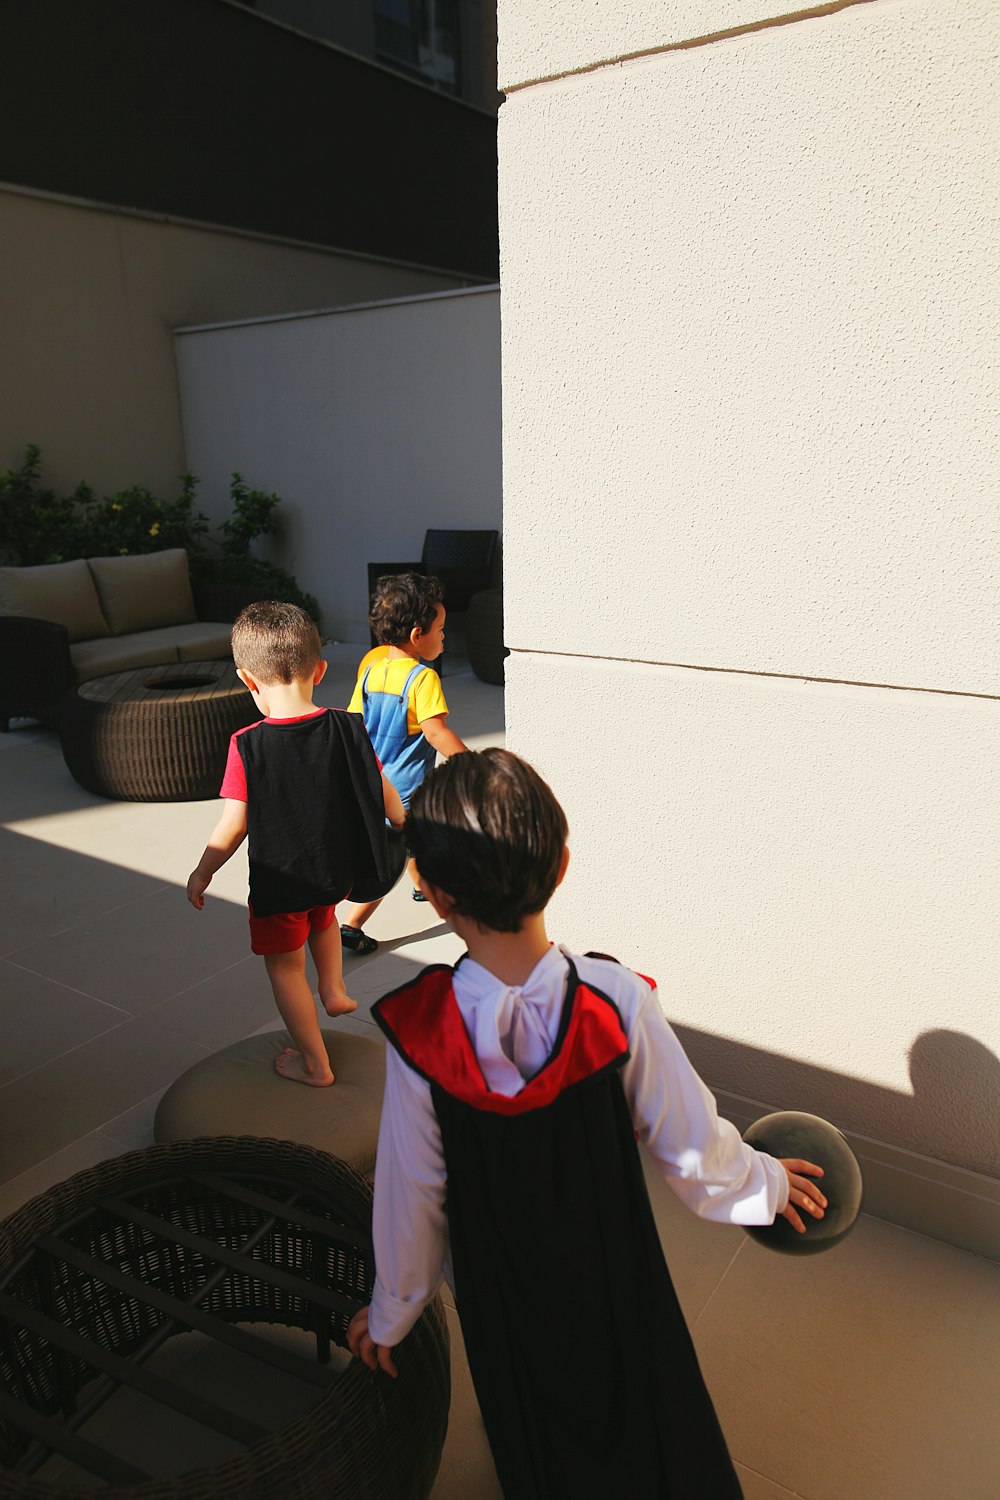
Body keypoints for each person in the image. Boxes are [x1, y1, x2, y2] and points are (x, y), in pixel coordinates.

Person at [347, 749, 827, 1499]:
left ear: (433, 895)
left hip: (500, 1282)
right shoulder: (614, 1001)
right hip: (614, 1268)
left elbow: (412, 1198)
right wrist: (764, 1185)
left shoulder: (422, 1033)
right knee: (647, 1396)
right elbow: (694, 1154)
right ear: (563, 864)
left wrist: (391, 1314)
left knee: (529, 1413)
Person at [186, 601, 404, 1088]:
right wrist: (406, 822)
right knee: (324, 918)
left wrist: (204, 871)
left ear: (247, 680)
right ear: (321, 670)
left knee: (285, 970)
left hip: (281, 883)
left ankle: (316, 1064)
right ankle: (334, 988)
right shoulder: (350, 726)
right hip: (334, 872)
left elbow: (232, 826)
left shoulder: (247, 744)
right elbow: (382, 790)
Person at [338, 571, 467, 955]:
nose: (444, 636)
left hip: (375, 785)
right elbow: (436, 733)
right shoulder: (422, 679)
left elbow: (354, 725)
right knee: (394, 858)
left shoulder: (372, 671)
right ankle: (352, 922)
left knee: (412, 844)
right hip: (408, 791)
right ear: (417, 635)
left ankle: (422, 886)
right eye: (441, 630)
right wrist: (470, 764)